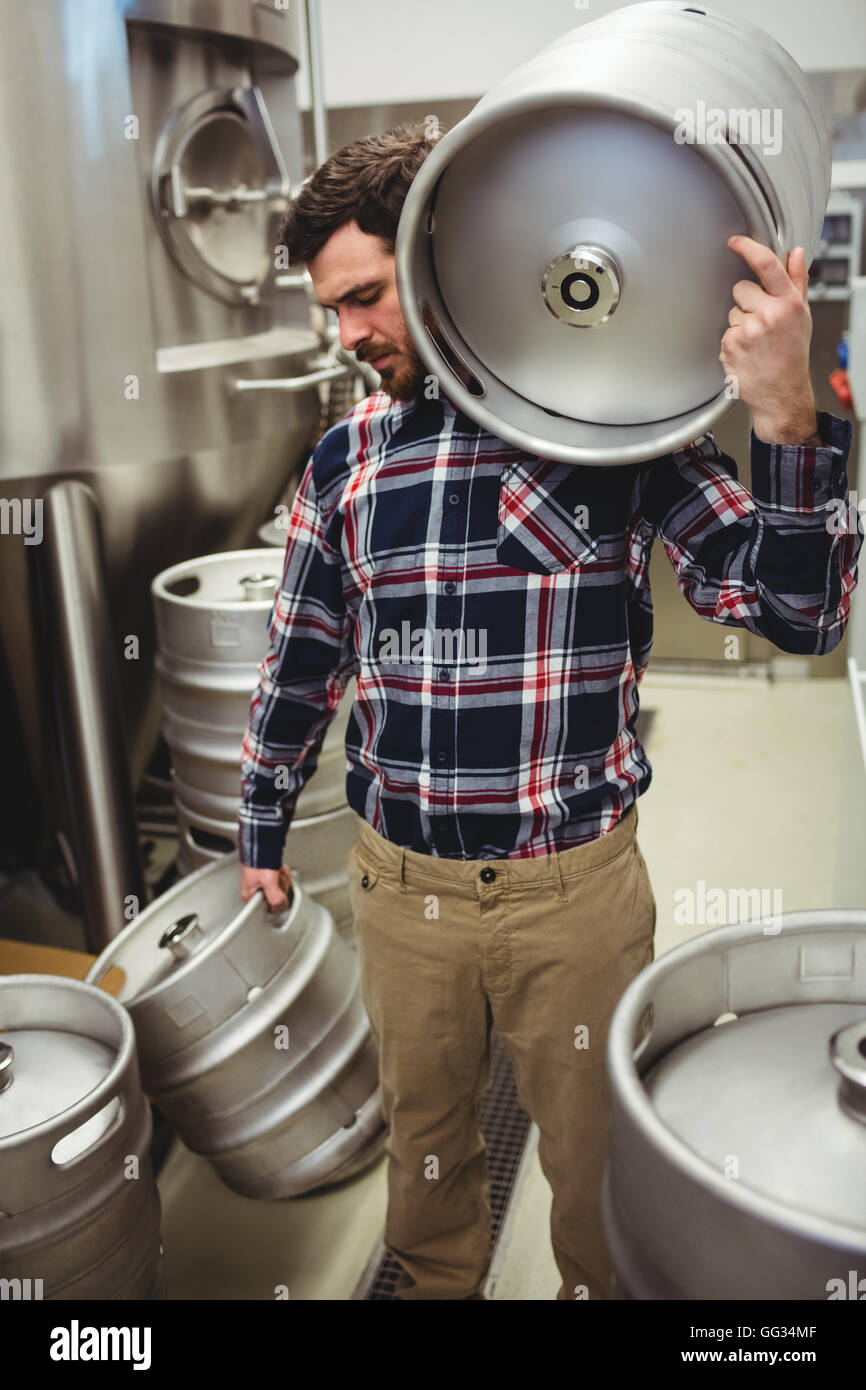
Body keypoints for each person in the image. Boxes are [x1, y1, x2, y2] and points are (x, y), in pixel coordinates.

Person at [237, 122, 859, 1300]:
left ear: (435, 255)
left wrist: (782, 419)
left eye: (363, 298)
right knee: (423, 1176)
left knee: (595, 1181)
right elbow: (302, 656)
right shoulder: (343, 464)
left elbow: (797, 614)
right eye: (331, 311)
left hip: (568, 894)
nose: (348, 335)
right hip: (399, 887)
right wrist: (259, 821)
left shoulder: (604, 425)